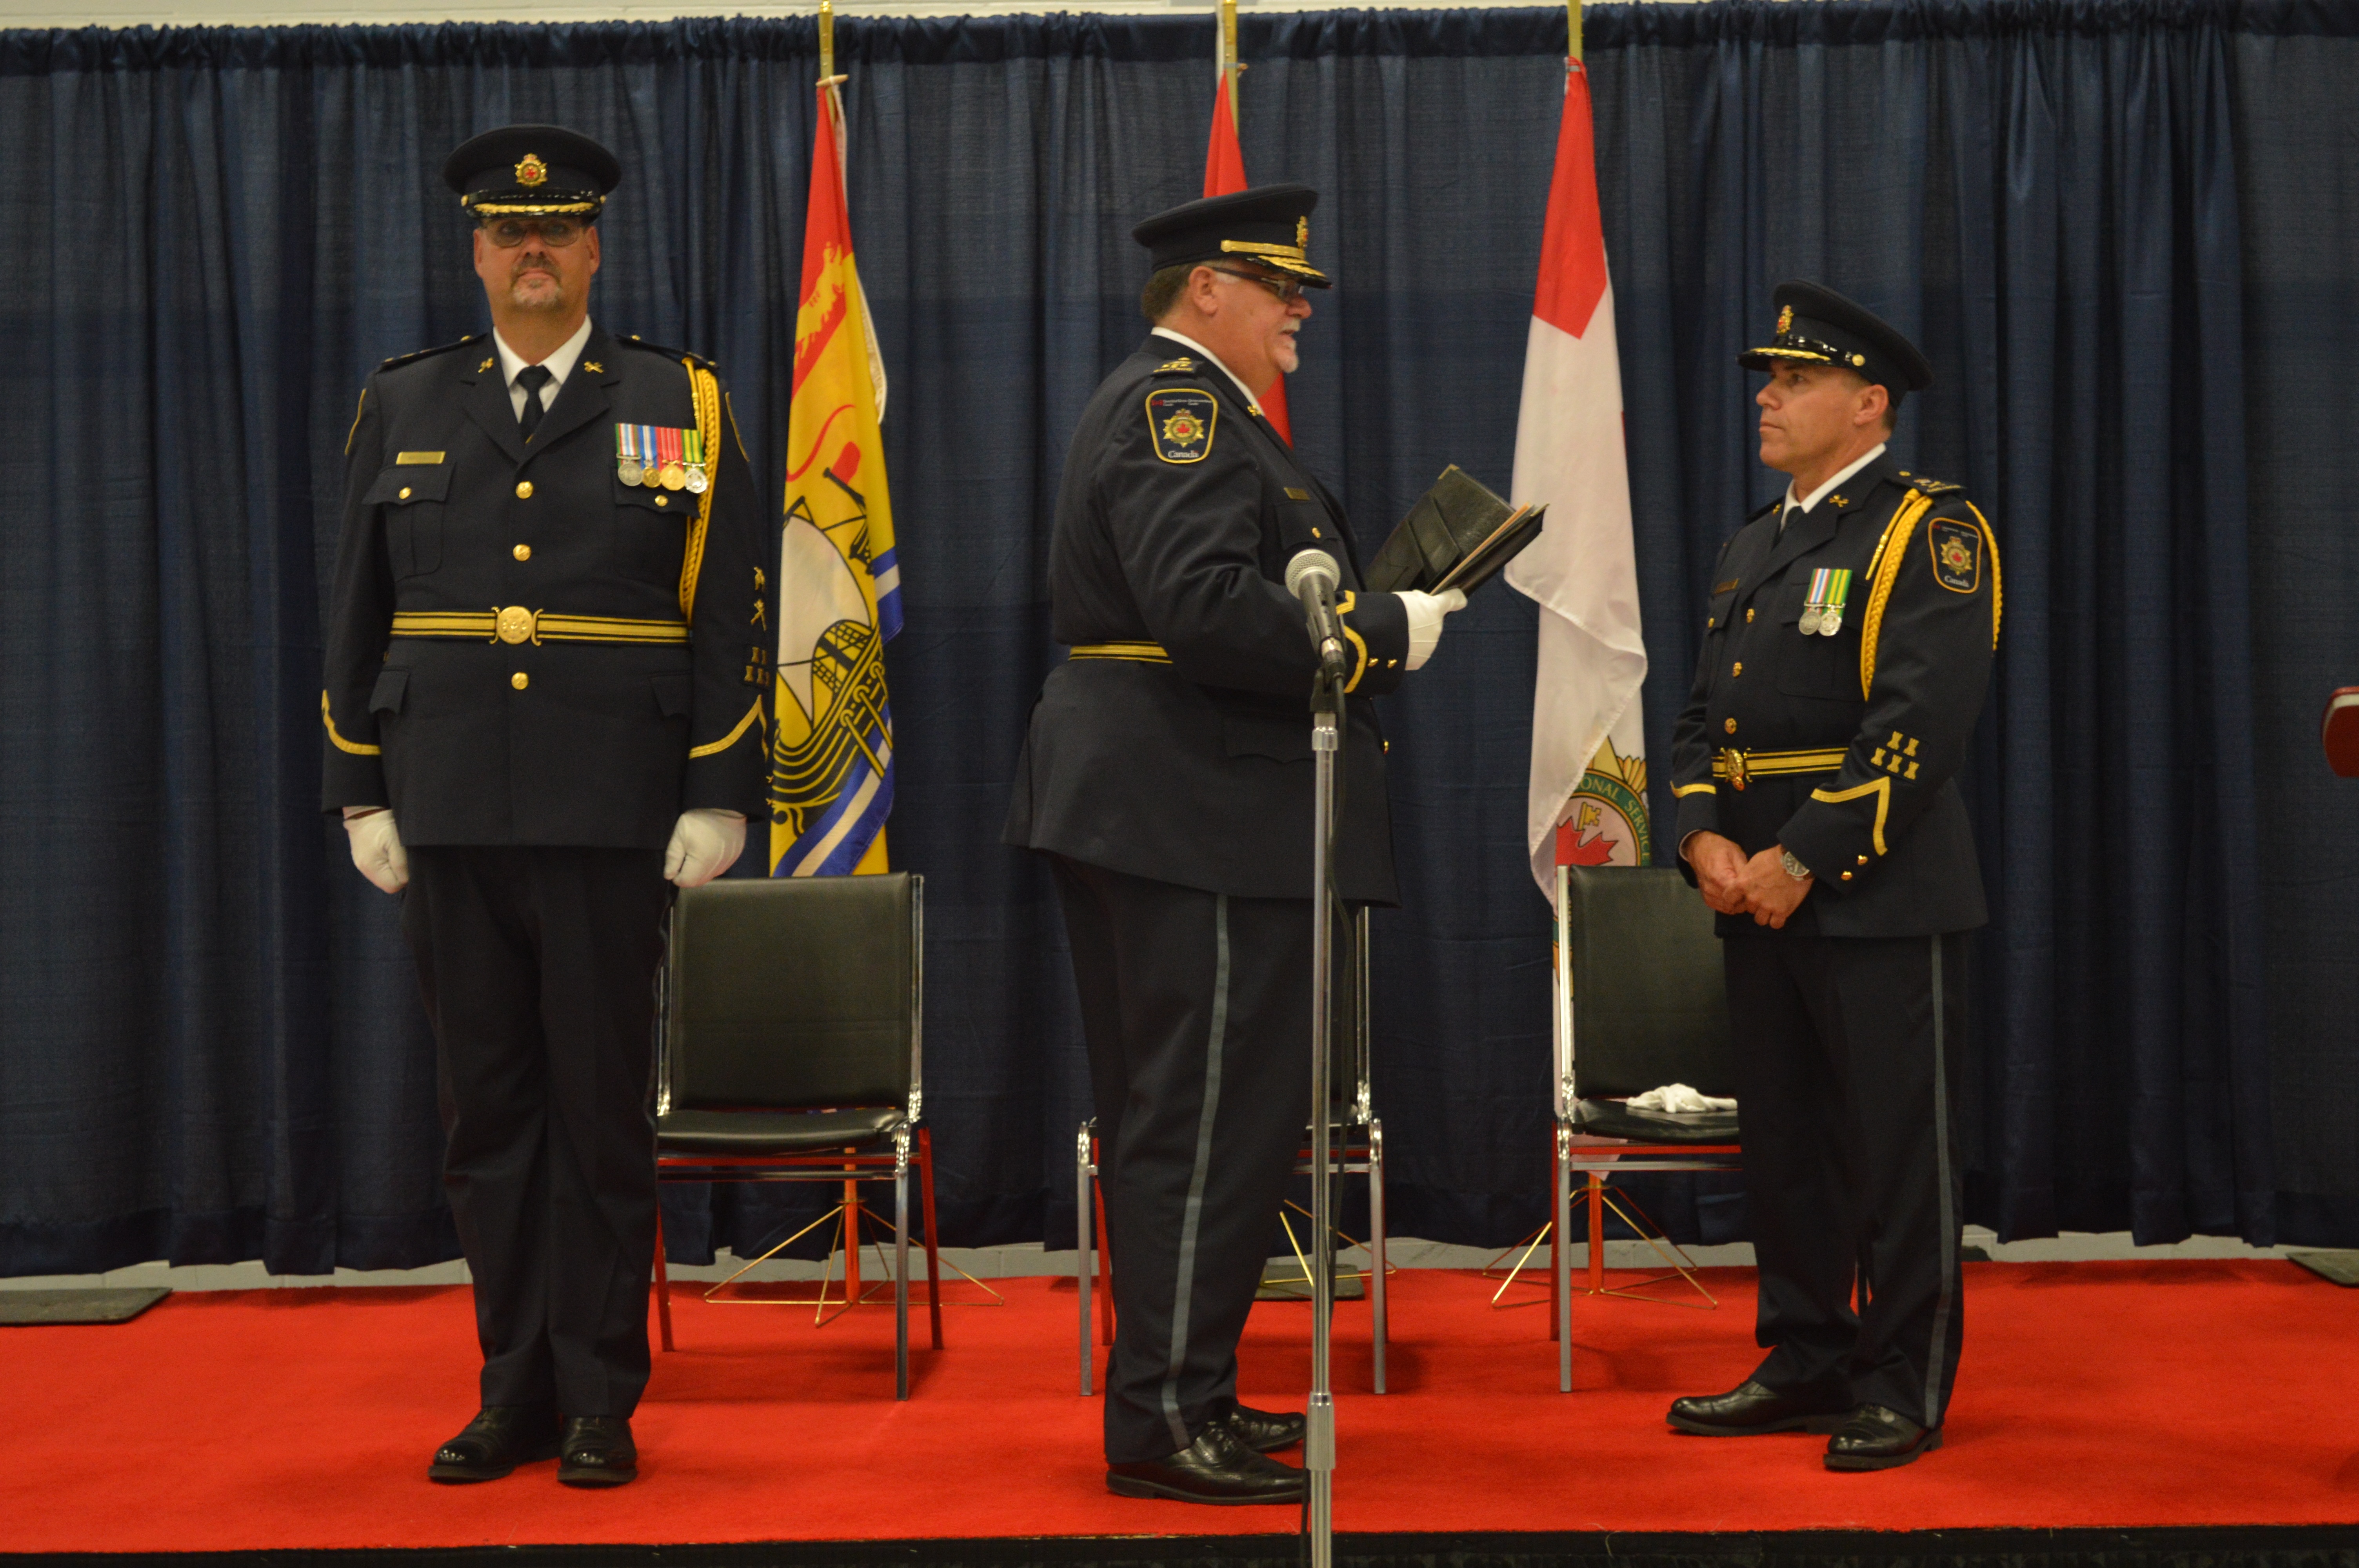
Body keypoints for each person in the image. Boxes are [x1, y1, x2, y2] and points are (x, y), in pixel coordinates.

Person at [320, 125, 771, 1488]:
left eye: (558, 233)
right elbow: (355, 612)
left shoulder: (676, 401)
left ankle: (599, 1397)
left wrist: (720, 786)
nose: (533, 254)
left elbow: (732, 609)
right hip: (447, 806)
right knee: (486, 1118)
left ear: (594, 250)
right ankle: (508, 1386)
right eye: (511, 235)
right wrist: (360, 789)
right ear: (475, 250)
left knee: (596, 1115)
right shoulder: (403, 403)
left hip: (609, 810)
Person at [1004, 184, 1467, 1506]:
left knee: (1217, 1123)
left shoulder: (1208, 415)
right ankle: (1158, 1421)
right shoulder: (1186, 409)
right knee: (1198, 1127)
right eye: (1281, 286)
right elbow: (1203, 608)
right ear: (1208, 289)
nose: (1302, 308)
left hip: (1187, 805)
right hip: (1186, 808)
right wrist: (1382, 632)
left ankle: (1188, 1388)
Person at [1665, 281, 2001, 1472]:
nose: (1768, 395)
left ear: (1869, 406)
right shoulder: (1753, 541)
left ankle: (1904, 1381)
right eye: (1769, 378)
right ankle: (1807, 1353)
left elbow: (1919, 726)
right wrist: (1703, 837)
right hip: (1747, 891)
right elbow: (1702, 720)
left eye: (1795, 380)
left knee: (1898, 1150)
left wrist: (1800, 859)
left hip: (1872, 889)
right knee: (1790, 1146)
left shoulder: (1928, 532)